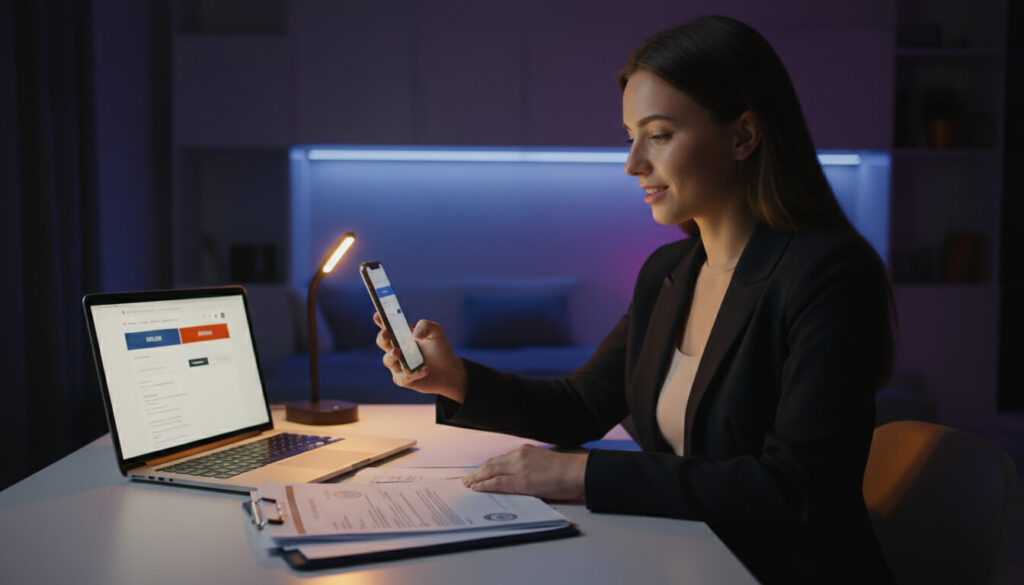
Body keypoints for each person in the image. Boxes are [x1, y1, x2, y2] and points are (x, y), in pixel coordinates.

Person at [373, 15, 896, 585]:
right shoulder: (668, 272)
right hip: (684, 556)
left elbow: (796, 489)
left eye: (660, 134)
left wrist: (581, 475)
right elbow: (581, 404)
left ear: (743, 135)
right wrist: (455, 381)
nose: (633, 164)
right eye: (630, 137)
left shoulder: (829, 275)